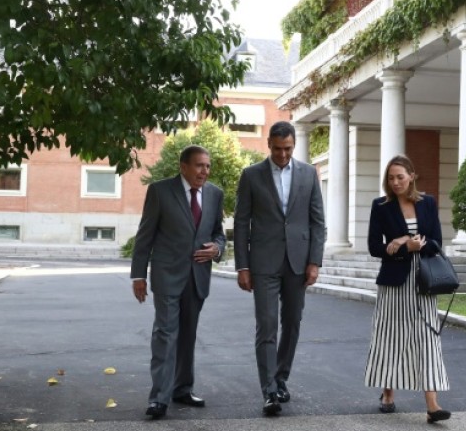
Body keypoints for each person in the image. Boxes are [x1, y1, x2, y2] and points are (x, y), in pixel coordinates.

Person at [234, 120, 326, 416]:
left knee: (293, 323)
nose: (283, 155)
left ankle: (281, 377)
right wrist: (242, 265)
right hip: (263, 262)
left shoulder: (309, 174)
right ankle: (269, 391)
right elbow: (241, 222)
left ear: (293, 145)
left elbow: (317, 222)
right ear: (269, 145)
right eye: (277, 149)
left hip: (298, 262)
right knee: (267, 325)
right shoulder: (251, 175)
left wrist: (315, 261)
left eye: (287, 149)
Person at [130, 145, 226, 419]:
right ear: (183, 166)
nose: (204, 171)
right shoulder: (160, 191)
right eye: (199, 166)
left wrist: (216, 250)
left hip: (197, 277)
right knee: (165, 333)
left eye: (207, 166)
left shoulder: (215, 194)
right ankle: (159, 398)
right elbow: (145, 235)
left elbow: (219, 234)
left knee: (187, 335)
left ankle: (183, 388)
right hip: (167, 275)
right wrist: (138, 275)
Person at [364, 154, 451, 424]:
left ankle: (432, 404)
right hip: (394, 283)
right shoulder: (381, 206)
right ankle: (388, 393)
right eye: (391, 178)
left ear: (412, 176)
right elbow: (374, 247)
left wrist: (411, 242)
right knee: (391, 337)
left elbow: (436, 242)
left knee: (427, 339)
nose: (395, 182)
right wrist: (402, 246)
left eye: (400, 176)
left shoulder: (428, 203)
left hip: (424, 282)